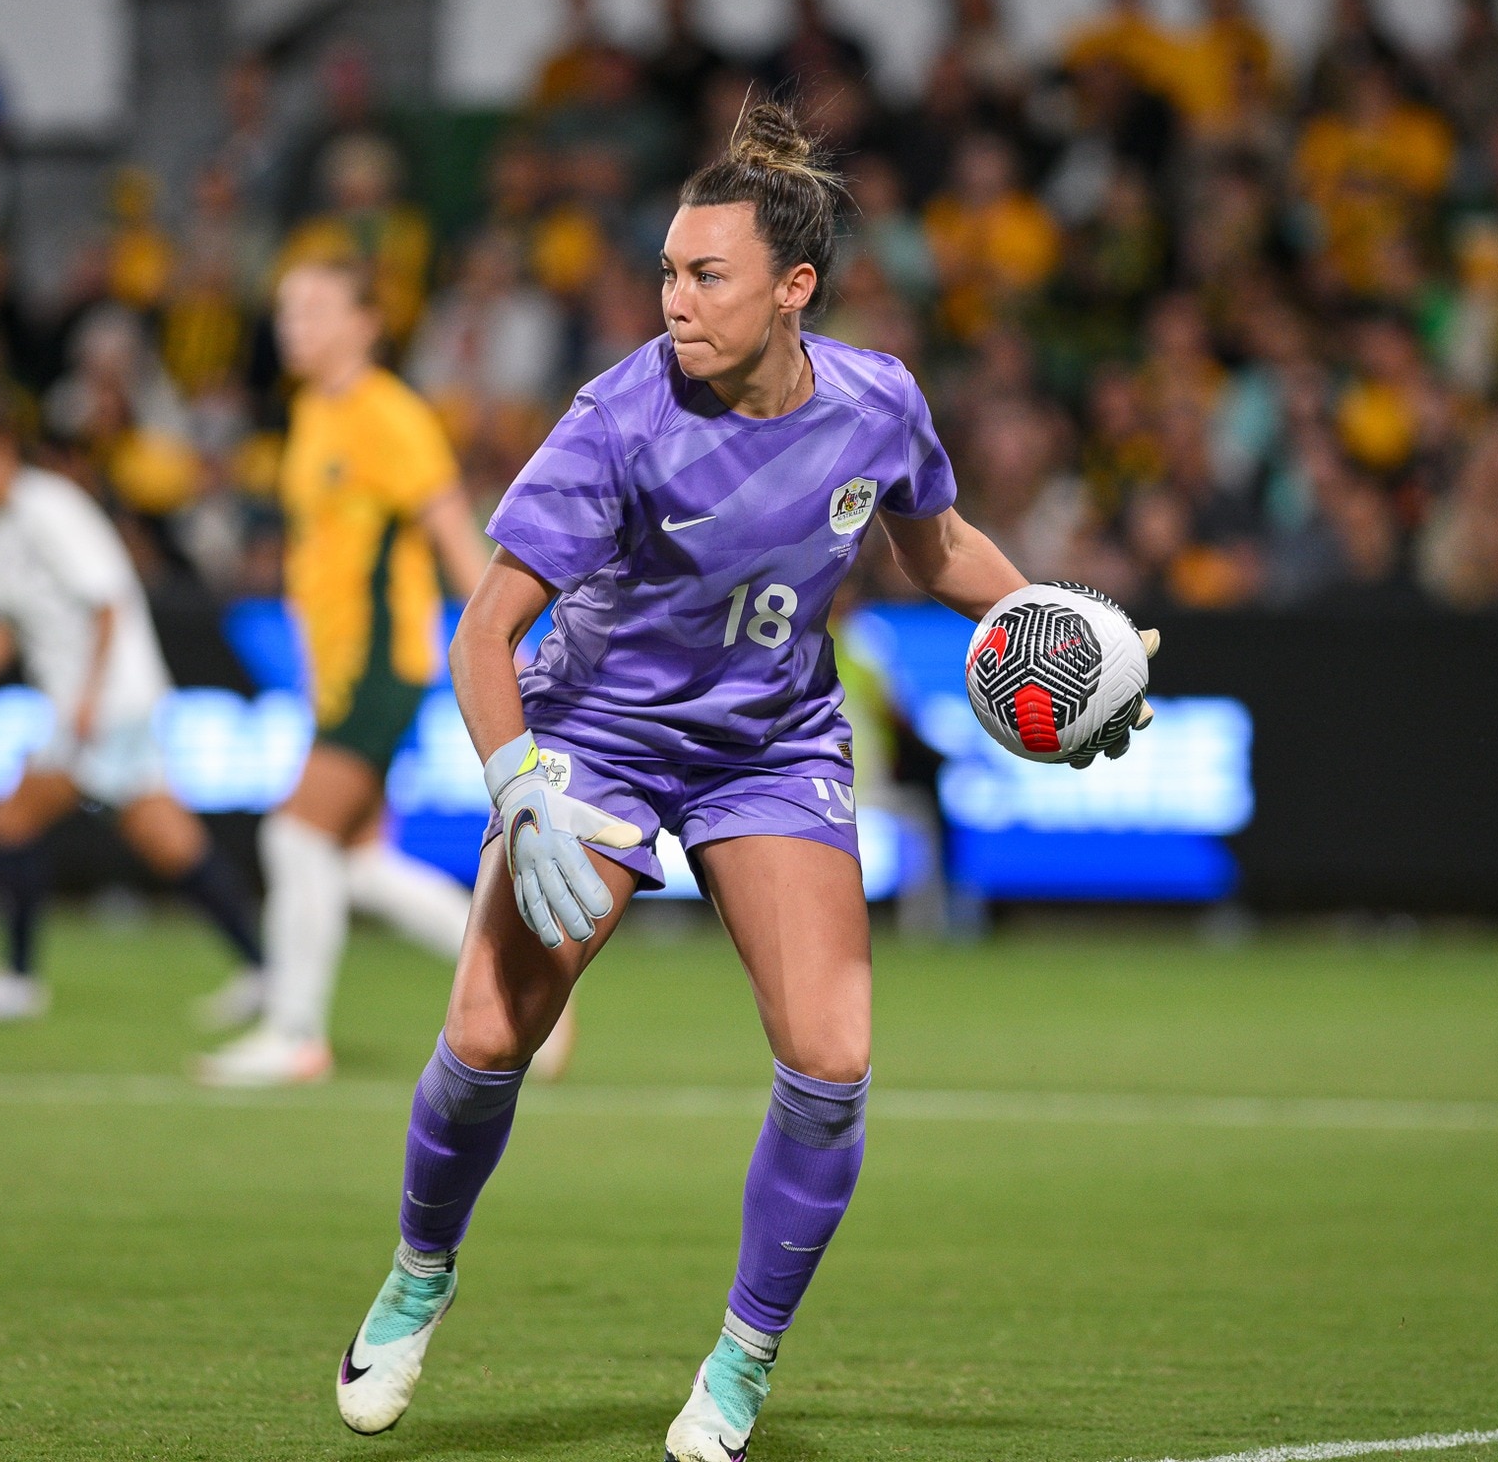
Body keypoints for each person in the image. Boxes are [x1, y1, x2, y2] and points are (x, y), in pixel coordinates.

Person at [326, 104, 1158, 1458]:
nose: (673, 300)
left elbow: (936, 548)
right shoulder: (618, 417)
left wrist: (1067, 640)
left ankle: (740, 1365)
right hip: (598, 734)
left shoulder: (878, 400)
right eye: (665, 271)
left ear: (793, 290)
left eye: (703, 276)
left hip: (771, 746)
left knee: (831, 1065)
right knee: (486, 1038)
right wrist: (517, 781)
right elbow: (484, 632)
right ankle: (421, 1273)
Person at [196, 259, 498, 1087]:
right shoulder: (308, 411)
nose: (294, 323)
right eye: (288, 307)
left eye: (317, 307)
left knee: (293, 835)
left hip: (380, 666)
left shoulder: (390, 415)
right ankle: (519, 980)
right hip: (335, 674)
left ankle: (295, 1037)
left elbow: (453, 534)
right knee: (355, 861)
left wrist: (501, 633)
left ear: (367, 322)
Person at [0, 396, 265, 1024]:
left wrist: (89, 701)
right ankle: (264, 968)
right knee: (167, 838)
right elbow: (0, 631)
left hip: (109, 704)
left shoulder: (47, 507)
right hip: (93, 705)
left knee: (9, 819)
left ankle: (17, 982)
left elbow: (108, 603)